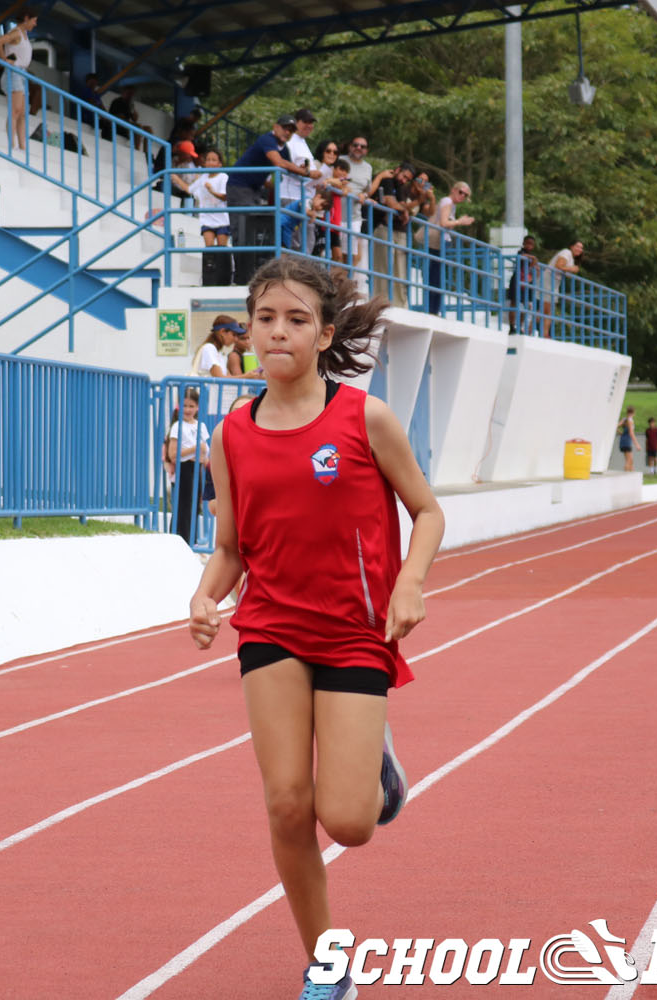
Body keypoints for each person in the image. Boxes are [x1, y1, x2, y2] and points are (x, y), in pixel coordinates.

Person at [187, 256, 444, 1000]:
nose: (278, 332)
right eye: (266, 318)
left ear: (325, 334)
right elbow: (232, 550)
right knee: (287, 803)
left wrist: (411, 584)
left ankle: (378, 774)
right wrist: (205, 599)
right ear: (249, 330)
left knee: (349, 822)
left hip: (355, 631)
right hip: (269, 625)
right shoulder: (231, 435)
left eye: (297, 319)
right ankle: (328, 962)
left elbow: (427, 512)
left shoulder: (364, 417)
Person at [225, 114, 309, 283]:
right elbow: (279, 163)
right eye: (285, 127)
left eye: (291, 130)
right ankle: (241, 277)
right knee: (241, 230)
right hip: (239, 185)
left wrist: (300, 170)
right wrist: (305, 172)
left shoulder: (284, 149)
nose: (287, 132)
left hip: (256, 189)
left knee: (256, 231)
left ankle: (254, 274)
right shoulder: (267, 140)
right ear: (275, 126)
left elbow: (286, 168)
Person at [366, 161, 417, 307]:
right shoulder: (387, 178)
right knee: (383, 267)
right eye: (404, 176)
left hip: (390, 229)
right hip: (378, 226)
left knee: (398, 270)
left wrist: (404, 209)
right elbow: (390, 202)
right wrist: (403, 210)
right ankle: (379, 302)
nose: (404, 180)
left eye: (407, 179)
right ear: (398, 169)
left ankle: (398, 304)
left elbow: (400, 204)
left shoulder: (398, 185)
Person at [165, 386, 209, 545]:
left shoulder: (200, 426)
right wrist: (195, 449)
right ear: (178, 406)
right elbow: (173, 454)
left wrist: (200, 455)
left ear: (197, 407)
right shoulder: (178, 426)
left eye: (191, 406)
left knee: (194, 506)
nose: (188, 409)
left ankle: (192, 539)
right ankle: (179, 539)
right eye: (184, 405)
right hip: (184, 470)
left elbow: (205, 453)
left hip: (197, 469)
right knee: (182, 505)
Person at [425, 181, 474, 314]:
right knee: (436, 276)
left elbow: (447, 223)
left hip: (442, 242)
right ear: (453, 190)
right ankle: (432, 309)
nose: (462, 196)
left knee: (438, 276)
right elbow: (444, 223)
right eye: (461, 192)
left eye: (465, 195)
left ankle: (434, 309)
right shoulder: (447, 201)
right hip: (438, 241)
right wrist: (460, 221)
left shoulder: (451, 205)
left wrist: (457, 221)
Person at [279, 109, 322, 253]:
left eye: (311, 122)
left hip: (304, 197)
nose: (309, 125)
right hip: (292, 197)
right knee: (295, 242)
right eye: (305, 122)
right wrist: (308, 172)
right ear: (296, 122)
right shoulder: (290, 142)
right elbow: (285, 165)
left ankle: (300, 272)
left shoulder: (302, 142)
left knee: (305, 242)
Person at [0, 9, 38, 151]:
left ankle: (22, 146)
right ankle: (12, 144)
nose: (35, 24)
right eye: (34, 20)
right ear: (26, 18)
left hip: (22, 73)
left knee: (23, 113)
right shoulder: (16, 32)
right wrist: (4, 60)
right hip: (14, 72)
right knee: (16, 110)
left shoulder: (24, 34)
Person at [190, 149, 231, 286]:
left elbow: (224, 196)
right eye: (208, 159)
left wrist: (211, 190)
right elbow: (190, 190)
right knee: (209, 250)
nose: (210, 162)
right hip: (206, 218)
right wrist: (175, 177)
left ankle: (224, 279)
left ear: (219, 163)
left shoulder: (223, 177)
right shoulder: (203, 177)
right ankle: (209, 280)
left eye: (214, 160)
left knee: (222, 249)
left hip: (222, 220)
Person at [342, 136, 373, 271]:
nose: (358, 148)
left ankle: (342, 286)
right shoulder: (340, 160)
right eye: (356, 145)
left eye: (362, 146)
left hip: (354, 216)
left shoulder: (368, 167)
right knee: (335, 253)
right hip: (336, 211)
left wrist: (365, 196)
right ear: (350, 146)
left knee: (351, 256)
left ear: (366, 150)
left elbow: (367, 191)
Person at [543, 239, 584, 337]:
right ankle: (543, 334)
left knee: (547, 310)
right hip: (548, 281)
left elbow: (567, 273)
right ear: (571, 246)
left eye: (581, 248)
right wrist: (572, 268)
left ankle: (537, 332)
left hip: (554, 283)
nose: (579, 249)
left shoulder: (571, 258)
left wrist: (572, 269)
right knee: (547, 310)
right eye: (577, 246)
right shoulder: (566, 252)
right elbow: (558, 266)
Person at [506, 234, 539, 333]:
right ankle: (512, 327)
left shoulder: (531, 258)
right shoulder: (521, 252)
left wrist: (533, 266)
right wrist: (533, 257)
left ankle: (519, 327)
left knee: (527, 305)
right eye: (527, 243)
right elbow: (520, 256)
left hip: (526, 281)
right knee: (514, 302)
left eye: (531, 244)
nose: (529, 246)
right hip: (517, 280)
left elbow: (535, 269)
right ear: (523, 244)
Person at [617, 406, 640, 472]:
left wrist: (621, 433)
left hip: (623, 440)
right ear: (633, 413)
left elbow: (616, 425)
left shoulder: (624, 419)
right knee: (628, 461)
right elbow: (631, 433)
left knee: (630, 461)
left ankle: (631, 477)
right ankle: (626, 476)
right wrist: (637, 444)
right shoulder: (630, 420)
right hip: (627, 441)